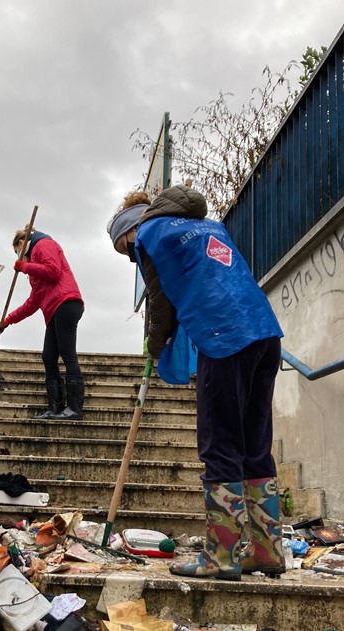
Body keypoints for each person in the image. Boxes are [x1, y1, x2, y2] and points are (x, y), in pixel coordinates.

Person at [108, 184, 285, 580]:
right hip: (264, 333)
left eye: (124, 248)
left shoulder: (150, 237)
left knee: (219, 443)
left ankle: (221, 556)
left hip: (223, 338)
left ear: (130, 231)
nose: (130, 256)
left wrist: (154, 347)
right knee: (255, 445)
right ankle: (267, 550)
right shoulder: (206, 225)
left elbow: (160, 302)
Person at [0, 228, 85, 420]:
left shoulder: (44, 244)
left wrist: (25, 267)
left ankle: (75, 409)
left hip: (65, 302)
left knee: (68, 354)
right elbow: (33, 303)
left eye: (17, 253)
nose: (20, 258)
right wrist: (7, 320)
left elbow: (53, 271)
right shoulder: (34, 269)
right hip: (54, 309)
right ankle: (55, 407)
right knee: (48, 356)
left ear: (21, 244)